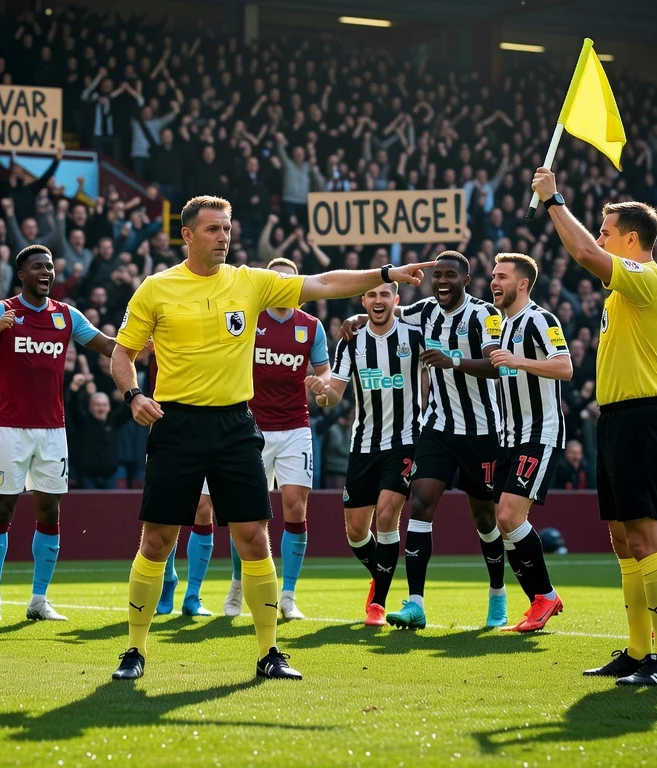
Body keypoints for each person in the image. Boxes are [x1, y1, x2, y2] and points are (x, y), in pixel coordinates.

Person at [107, 195, 437, 681]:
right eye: (214, 229)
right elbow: (122, 353)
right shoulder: (156, 289)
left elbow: (324, 283)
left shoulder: (249, 281)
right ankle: (134, 651)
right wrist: (134, 395)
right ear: (188, 235)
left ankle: (269, 654)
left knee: (254, 537)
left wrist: (385, 274)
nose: (224, 237)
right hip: (175, 425)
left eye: (228, 228)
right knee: (156, 540)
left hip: (236, 427)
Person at [535, 169, 657, 687]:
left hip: (642, 417)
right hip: (615, 418)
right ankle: (640, 651)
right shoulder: (621, 293)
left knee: (646, 536)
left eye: (607, 229)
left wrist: (554, 200)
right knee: (622, 539)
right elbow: (593, 257)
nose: (599, 237)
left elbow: (585, 254)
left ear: (632, 239)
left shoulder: (651, 279)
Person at [341, 250, 509, 630]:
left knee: (485, 518)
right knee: (420, 505)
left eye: (451, 275)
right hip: (437, 427)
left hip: (482, 432)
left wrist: (455, 362)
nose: (443, 282)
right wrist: (356, 318)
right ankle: (415, 603)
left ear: (466, 280)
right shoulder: (425, 312)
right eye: (438, 277)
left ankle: (497, 594)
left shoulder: (484, 315)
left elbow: (497, 366)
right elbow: (388, 315)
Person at [163, 257, 332, 621]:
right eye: (278, 281)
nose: (284, 287)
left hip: (294, 429)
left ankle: (288, 596)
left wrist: (322, 388)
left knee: (295, 508)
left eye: (291, 281)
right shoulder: (248, 318)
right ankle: (234, 585)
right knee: (242, 513)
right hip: (246, 428)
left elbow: (326, 382)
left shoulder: (311, 327)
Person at [0, 243, 116, 622]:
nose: (46, 272)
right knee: (2, 510)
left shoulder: (66, 316)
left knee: (49, 511)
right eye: (37, 267)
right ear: (21, 274)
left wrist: (145, 343)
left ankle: (39, 600)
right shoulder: (2, 310)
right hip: (10, 428)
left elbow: (107, 346)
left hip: (52, 430)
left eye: (49, 267)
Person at [317, 282, 425, 627]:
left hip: (405, 440)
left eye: (384, 295)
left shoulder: (414, 334)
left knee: (388, 513)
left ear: (396, 299)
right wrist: (322, 395)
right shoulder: (351, 340)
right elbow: (335, 392)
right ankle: (381, 574)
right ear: (363, 300)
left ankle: (377, 604)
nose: (378, 301)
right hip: (363, 444)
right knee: (356, 531)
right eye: (372, 295)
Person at [486, 252, 573, 632]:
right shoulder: (500, 325)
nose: (494, 281)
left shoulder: (540, 319)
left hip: (540, 433)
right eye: (493, 275)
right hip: (509, 437)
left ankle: (546, 596)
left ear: (522, 283)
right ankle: (539, 601)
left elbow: (565, 366)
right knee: (503, 521)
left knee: (508, 516)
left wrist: (519, 361)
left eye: (501, 276)